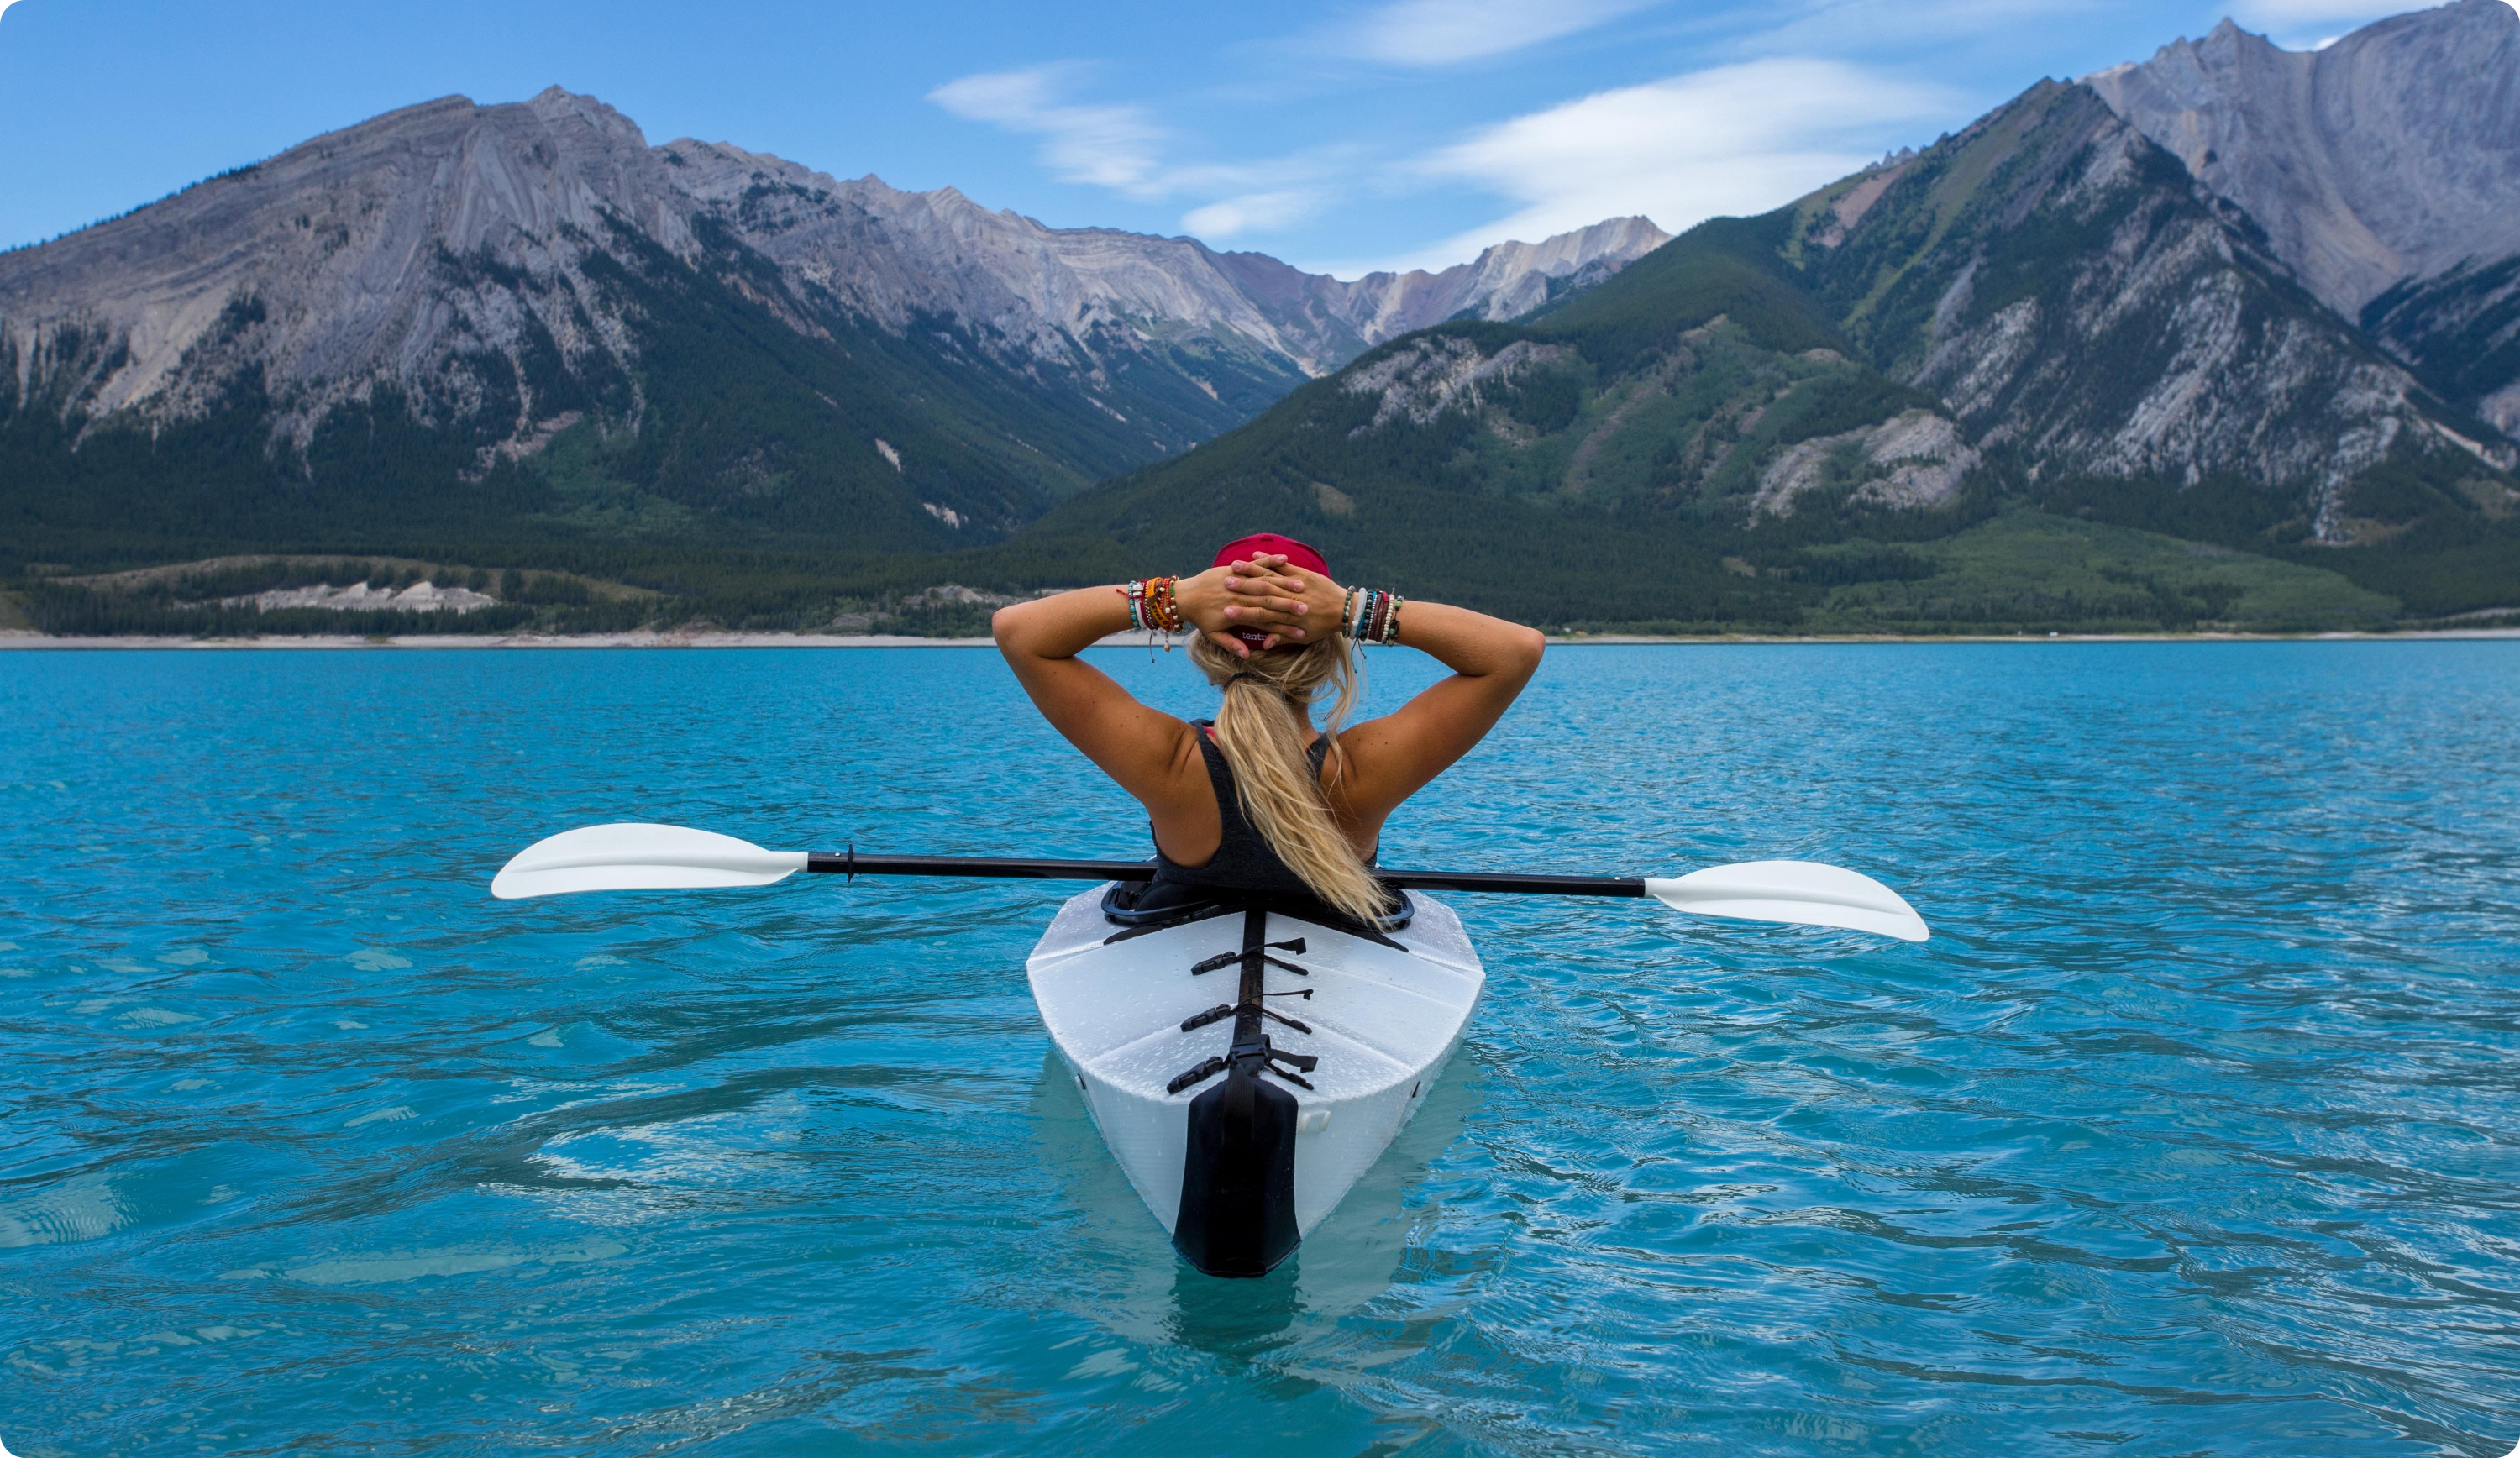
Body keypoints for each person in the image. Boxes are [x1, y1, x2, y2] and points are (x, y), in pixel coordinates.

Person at [991, 533, 1546, 925]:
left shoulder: (1169, 763)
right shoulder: (1360, 773)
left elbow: (1019, 632)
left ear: (1206, 644)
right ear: (1331, 651)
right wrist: (1355, 607)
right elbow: (1516, 651)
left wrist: (1174, 597)